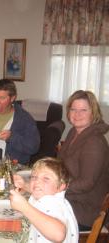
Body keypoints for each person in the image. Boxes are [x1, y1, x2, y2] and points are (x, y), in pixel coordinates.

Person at [58, 90, 109, 231]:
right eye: (73, 109)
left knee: (36, 215)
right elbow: (61, 164)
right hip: (70, 197)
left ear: (93, 113)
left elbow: (87, 183)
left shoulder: (94, 142)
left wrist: (56, 187)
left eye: (83, 110)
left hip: (85, 210)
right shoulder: (73, 132)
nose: (77, 114)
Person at [10, 157, 78, 243]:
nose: (37, 182)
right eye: (34, 177)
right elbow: (39, 189)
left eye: (46, 179)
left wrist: (24, 207)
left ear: (61, 187)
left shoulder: (53, 203)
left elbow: (58, 235)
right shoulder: (48, 194)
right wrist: (24, 185)